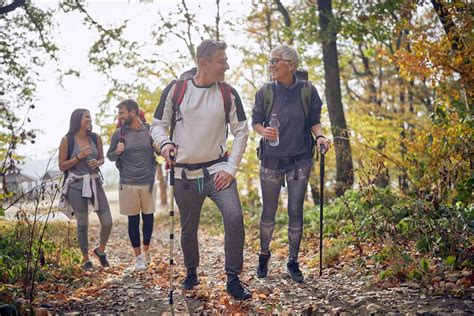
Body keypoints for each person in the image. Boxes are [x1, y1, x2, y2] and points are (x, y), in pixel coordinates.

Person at [151, 40, 251, 300]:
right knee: (188, 228)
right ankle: (191, 271)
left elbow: (241, 131)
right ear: (203, 61)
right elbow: (158, 125)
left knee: (234, 217)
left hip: (218, 171)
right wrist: (164, 144)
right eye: (222, 61)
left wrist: (231, 168)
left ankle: (233, 278)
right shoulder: (177, 89)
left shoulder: (228, 93)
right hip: (184, 174)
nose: (227, 65)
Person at [251, 45, 330, 282]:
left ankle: (292, 262)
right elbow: (255, 122)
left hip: (299, 160)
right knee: (269, 211)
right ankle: (264, 255)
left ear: (291, 65)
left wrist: (321, 136)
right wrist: (263, 131)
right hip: (271, 160)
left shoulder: (308, 91)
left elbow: (314, 121)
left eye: (275, 61)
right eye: (270, 61)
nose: (271, 65)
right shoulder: (265, 92)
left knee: (296, 211)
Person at [58, 109, 113, 271]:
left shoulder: (95, 138)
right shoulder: (67, 140)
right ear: (78, 120)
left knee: (108, 222)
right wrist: (78, 157)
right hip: (76, 185)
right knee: (82, 224)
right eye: (87, 116)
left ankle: (100, 251)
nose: (90, 119)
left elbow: (102, 158)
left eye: (90, 116)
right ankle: (86, 260)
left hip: (95, 182)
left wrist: (98, 162)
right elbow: (62, 166)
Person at [107, 99, 158, 271]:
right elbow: (110, 156)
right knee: (133, 221)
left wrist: (158, 147)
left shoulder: (149, 131)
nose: (119, 117)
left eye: (122, 113)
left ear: (133, 112)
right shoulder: (118, 134)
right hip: (128, 183)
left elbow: (158, 151)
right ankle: (138, 258)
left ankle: (146, 251)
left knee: (149, 219)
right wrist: (117, 151)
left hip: (148, 182)